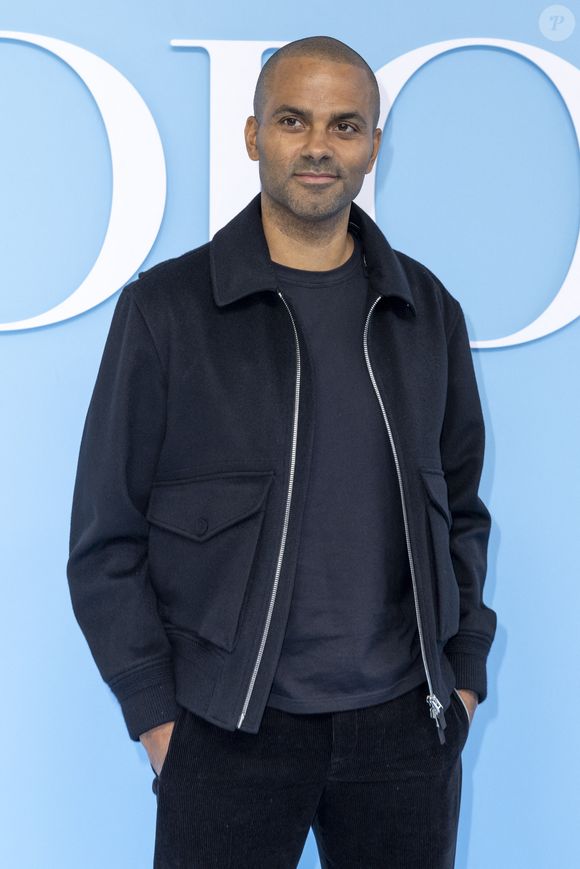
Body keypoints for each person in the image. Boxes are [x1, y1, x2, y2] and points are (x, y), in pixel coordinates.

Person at [67, 34, 497, 869]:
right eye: (294, 120)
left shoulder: (424, 309)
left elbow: (463, 508)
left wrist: (463, 675)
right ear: (253, 134)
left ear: (373, 144)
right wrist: (157, 717)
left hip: (405, 730)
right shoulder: (168, 309)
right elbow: (104, 538)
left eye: (345, 126)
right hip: (226, 729)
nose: (318, 146)